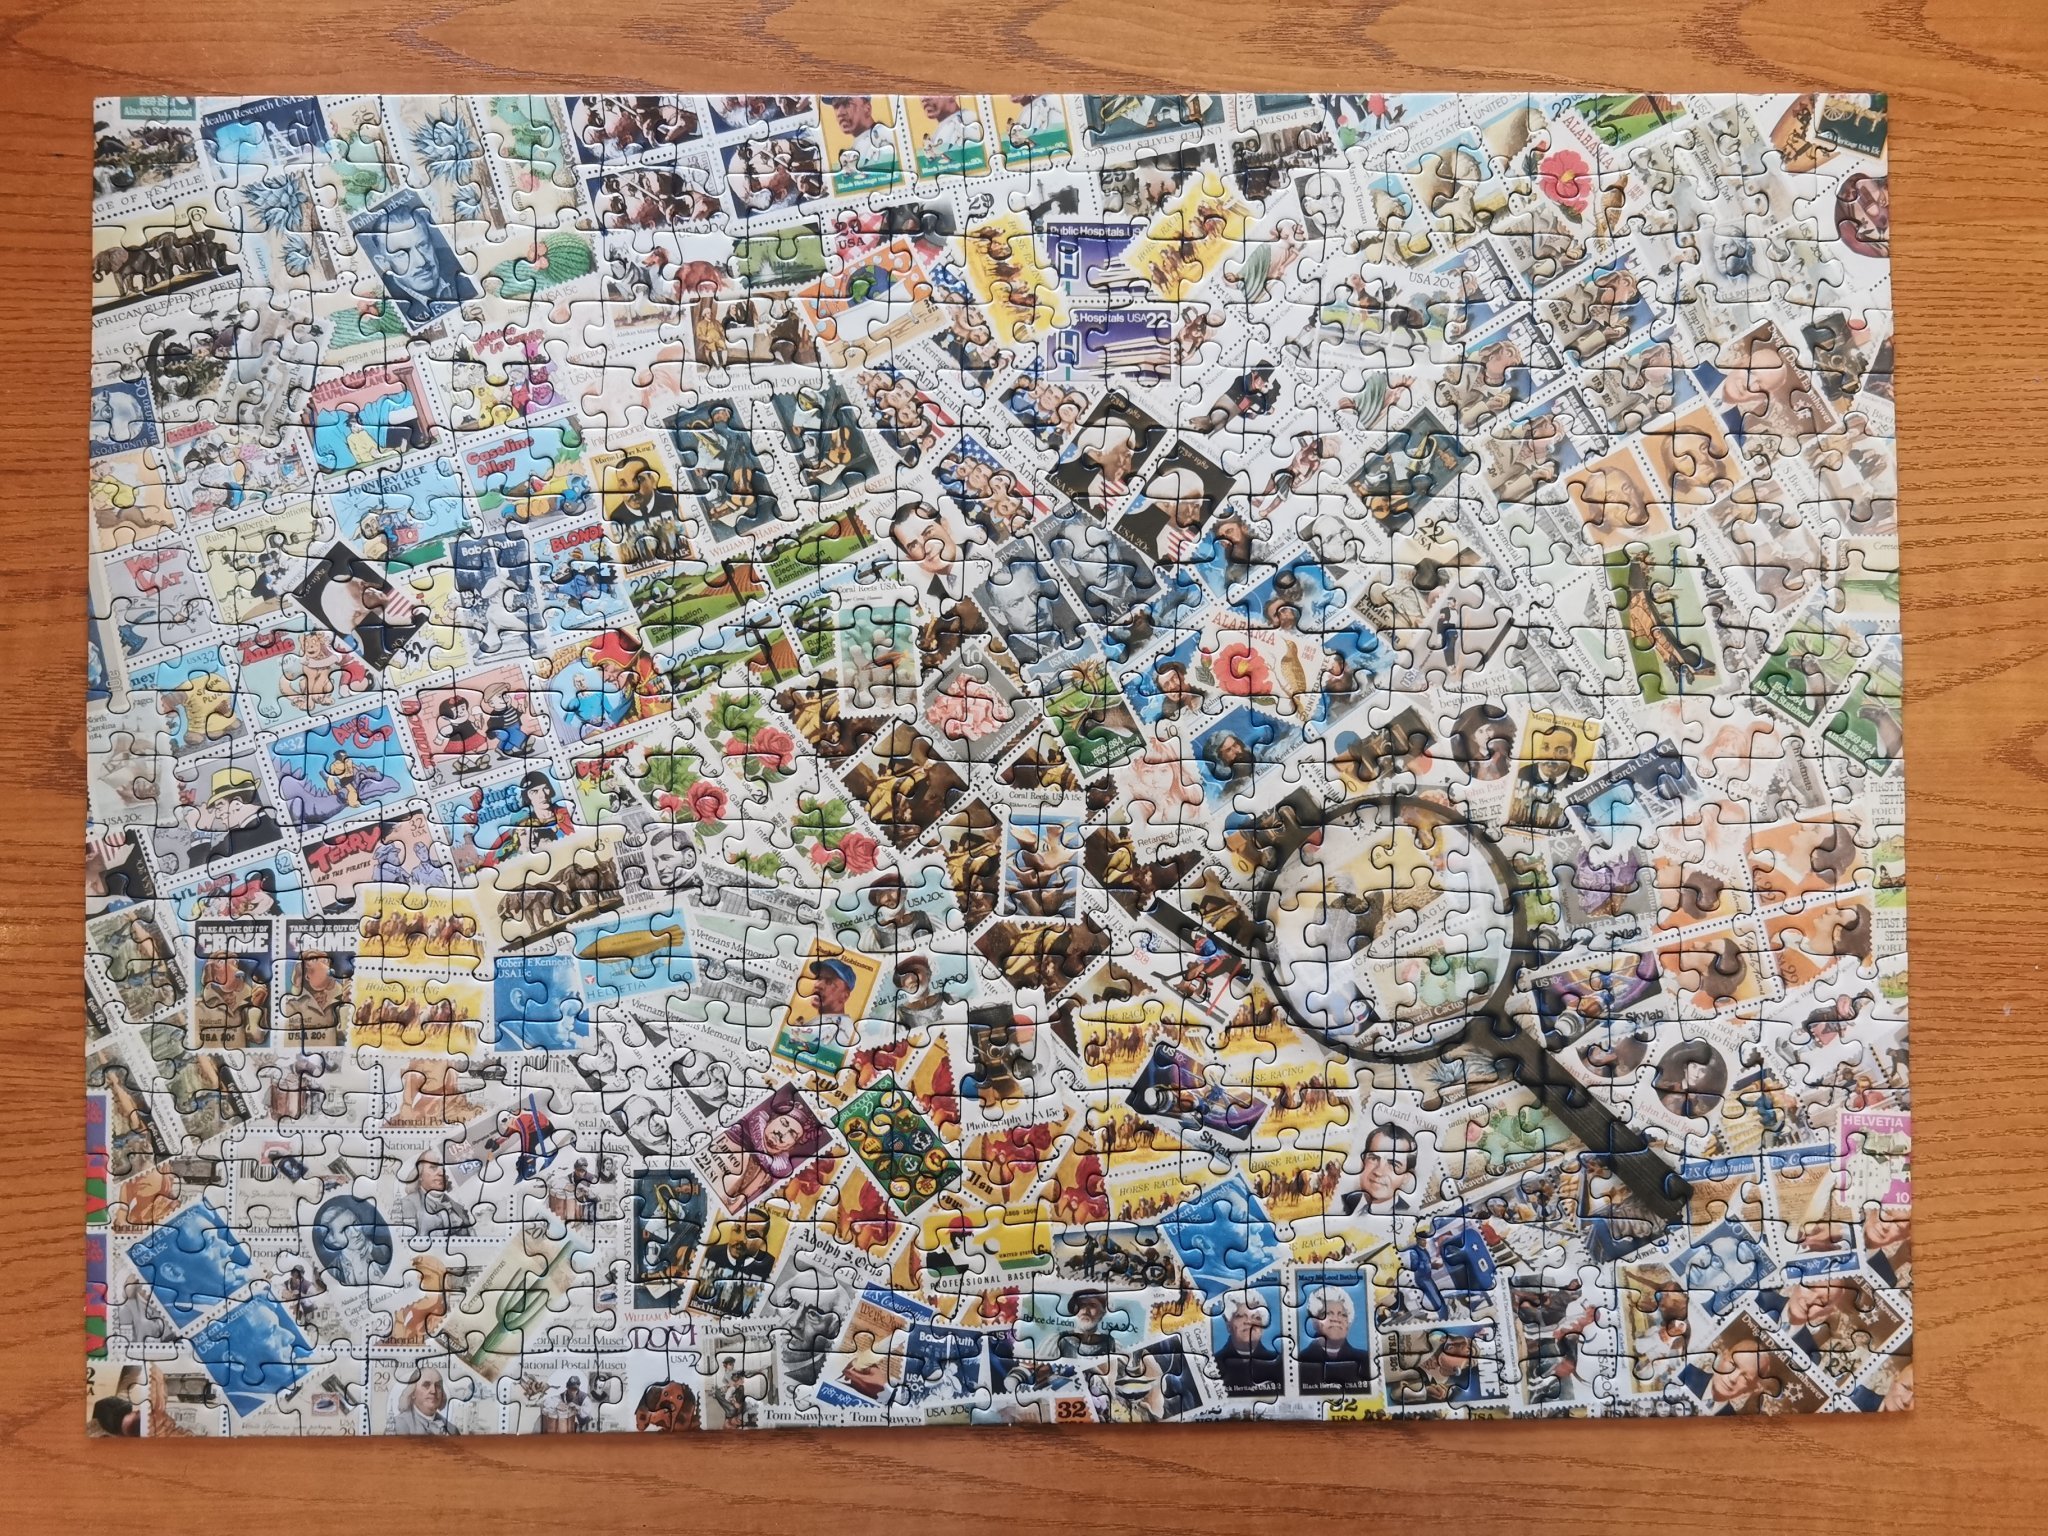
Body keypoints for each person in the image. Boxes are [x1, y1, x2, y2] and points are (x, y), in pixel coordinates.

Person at [357, 197, 476, 327]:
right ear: (383, 263)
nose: (421, 262)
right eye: (402, 254)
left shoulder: (464, 271)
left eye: (423, 245)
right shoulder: (388, 307)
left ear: (432, 243)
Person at [1297, 1285, 1373, 1391]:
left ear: (1349, 1322)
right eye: (1327, 1313)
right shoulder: (1298, 1362)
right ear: (1314, 1321)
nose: (1336, 1319)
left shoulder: (1367, 1361)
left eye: (1343, 1315)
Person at [1341, 1124, 1417, 1214]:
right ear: (1362, 1162)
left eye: (1393, 1164)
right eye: (1373, 1158)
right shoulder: (1338, 1202)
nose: (1378, 1172)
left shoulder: (1409, 1214)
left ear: (1407, 1177)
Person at [1213, 1294, 1281, 1393]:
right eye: (1240, 1316)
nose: (1249, 1322)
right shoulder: (1213, 1365)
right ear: (1229, 1326)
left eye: (1256, 1317)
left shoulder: (1279, 1364)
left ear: (1263, 1327)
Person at [387, 1368, 460, 1434]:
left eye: (438, 1385)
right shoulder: (397, 1426)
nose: (433, 1391)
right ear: (412, 1392)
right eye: (426, 1385)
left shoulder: (452, 1430)